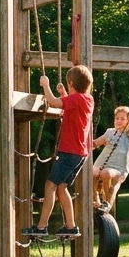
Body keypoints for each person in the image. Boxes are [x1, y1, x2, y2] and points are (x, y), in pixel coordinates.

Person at [26, 65, 95, 239]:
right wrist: (65, 94)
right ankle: (71, 227)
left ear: (71, 83)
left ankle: (41, 227)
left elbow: (54, 103)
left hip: (70, 152)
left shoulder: (77, 99)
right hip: (81, 154)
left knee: (50, 186)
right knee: (62, 187)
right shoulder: (87, 99)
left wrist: (45, 85)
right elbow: (70, 108)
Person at [92, 95, 129, 212]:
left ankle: (107, 202)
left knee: (108, 176)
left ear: (128, 120)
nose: (119, 121)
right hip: (102, 163)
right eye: (117, 118)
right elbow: (95, 143)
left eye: (123, 119)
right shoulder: (109, 132)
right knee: (90, 172)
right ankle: (96, 200)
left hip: (119, 167)